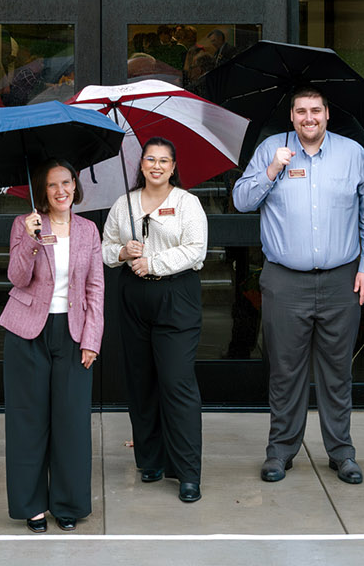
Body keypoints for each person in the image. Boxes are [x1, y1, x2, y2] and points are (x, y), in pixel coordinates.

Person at [232, 86, 364, 485]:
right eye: (301, 111)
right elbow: (241, 200)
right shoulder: (270, 150)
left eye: (316, 110)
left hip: (341, 279)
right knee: (285, 371)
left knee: (337, 372)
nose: (309, 118)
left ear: (327, 114)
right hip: (284, 281)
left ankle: (342, 453)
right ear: (293, 117)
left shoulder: (352, 154)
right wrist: (271, 171)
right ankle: (280, 451)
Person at [0, 161, 104, 533]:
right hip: (27, 331)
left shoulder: (89, 230)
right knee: (28, 421)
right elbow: (16, 277)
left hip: (72, 333)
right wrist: (28, 239)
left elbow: (95, 288)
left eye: (66, 183)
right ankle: (32, 506)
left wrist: (91, 340)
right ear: (42, 191)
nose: (61, 190)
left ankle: (69, 503)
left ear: (75, 186)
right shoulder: (24, 225)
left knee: (72, 421)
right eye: (52, 185)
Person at [101, 137, 207, 503]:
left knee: (177, 383)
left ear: (174, 167)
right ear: (141, 164)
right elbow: (105, 248)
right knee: (141, 380)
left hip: (176, 295)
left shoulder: (187, 203)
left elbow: (196, 250)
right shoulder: (124, 204)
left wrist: (155, 263)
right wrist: (121, 251)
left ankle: (187, 471)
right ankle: (150, 460)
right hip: (134, 297)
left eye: (164, 160)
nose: (157, 166)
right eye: (151, 159)